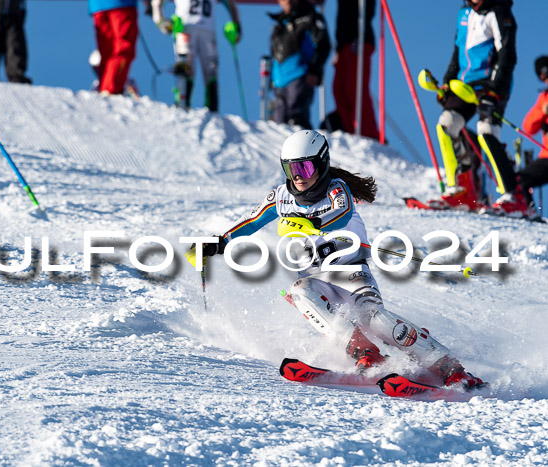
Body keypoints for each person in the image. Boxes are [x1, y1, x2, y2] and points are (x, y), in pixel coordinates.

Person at [188, 130, 484, 389]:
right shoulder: (280, 197)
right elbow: (251, 221)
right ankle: (366, 354)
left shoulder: (336, 191)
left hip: (350, 274)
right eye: (292, 170)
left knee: (377, 320)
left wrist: (303, 223)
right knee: (300, 292)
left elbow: (336, 216)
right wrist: (220, 242)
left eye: (305, 167)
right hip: (317, 279)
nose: (299, 177)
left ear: (321, 163)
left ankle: (450, 369)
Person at [435, 0, 519, 214]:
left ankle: (513, 197)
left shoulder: (499, 12)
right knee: (446, 125)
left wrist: (495, 89)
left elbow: (507, 53)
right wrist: (447, 82)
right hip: (464, 85)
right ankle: (461, 190)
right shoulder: (463, 13)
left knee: (486, 132)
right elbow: (457, 52)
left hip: (491, 84)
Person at [151, 0, 241, 111]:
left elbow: (231, 4)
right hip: (185, 28)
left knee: (211, 73)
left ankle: (212, 114)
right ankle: (182, 109)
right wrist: (161, 21)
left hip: (206, 32)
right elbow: (157, 2)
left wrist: (236, 26)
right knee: (186, 69)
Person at [268, 0, 330, 129]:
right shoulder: (279, 26)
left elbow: (323, 45)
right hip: (279, 81)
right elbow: (274, 53)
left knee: (296, 117)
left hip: (300, 75)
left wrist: (314, 70)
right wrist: (271, 79)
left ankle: (306, 147)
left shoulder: (309, 18)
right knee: (278, 125)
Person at [332, 0, 379, 139]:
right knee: (339, 89)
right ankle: (350, 130)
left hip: (358, 39)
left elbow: (368, 9)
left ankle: (367, 133)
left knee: (355, 88)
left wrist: (361, 36)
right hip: (343, 43)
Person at [516, 56, 548, 220]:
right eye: (542, 76)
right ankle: (529, 213)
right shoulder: (544, 97)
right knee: (520, 181)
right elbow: (528, 127)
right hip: (547, 157)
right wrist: (543, 111)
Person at [88, 0, 138, 96]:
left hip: (97, 6)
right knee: (123, 48)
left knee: (107, 51)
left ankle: (104, 88)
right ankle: (110, 90)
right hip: (122, 5)